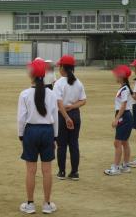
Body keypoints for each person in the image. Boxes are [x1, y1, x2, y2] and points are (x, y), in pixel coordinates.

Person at [17, 59, 58, 214]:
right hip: (47, 132)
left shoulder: (25, 94)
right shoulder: (52, 94)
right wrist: (55, 137)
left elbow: (21, 118)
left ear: (32, 75)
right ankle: (47, 204)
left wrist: (21, 135)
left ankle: (30, 204)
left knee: (30, 171)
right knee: (47, 171)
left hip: (31, 132)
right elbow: (55, 117)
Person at [53, 55, 86, 181]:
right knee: (74, 144)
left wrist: (66, 117)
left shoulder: (59, 83)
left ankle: (61, 172)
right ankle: (74, 172)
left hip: (62, 116)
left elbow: (59, 103)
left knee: (61, 145)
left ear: (63, 68)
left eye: (59, 66)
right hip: (75, 114)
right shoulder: (78, 82)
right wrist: (72, 107)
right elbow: (83, 100)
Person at [104, 65, 133, 176]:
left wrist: (116, 119)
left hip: (124, 116)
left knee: (118, 143)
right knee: (124, 142)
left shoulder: (124, 89)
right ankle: (125, 166)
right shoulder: (124, 88)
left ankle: (116, 168)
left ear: (122, 76)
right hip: (125, 116)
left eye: (117, 74)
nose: (115, 76)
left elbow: (123, 105)